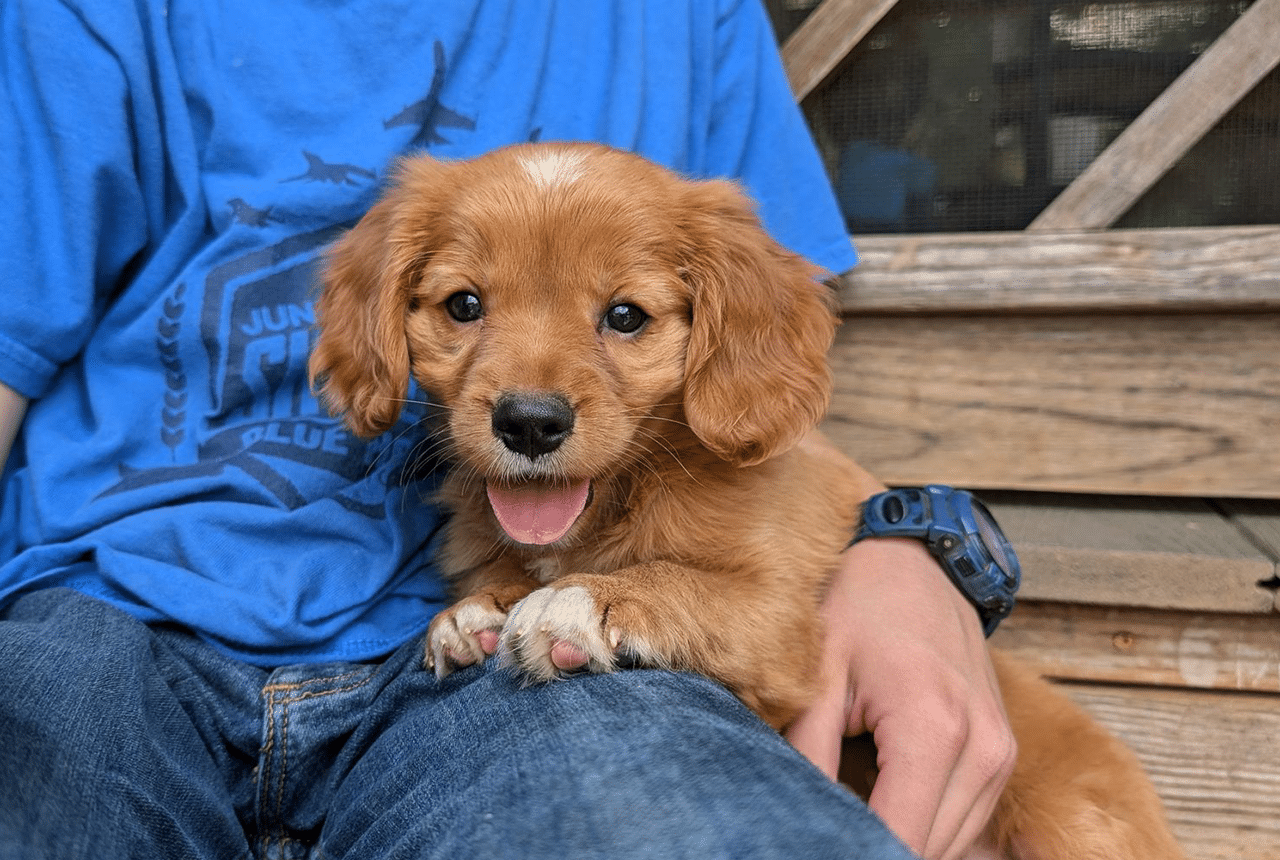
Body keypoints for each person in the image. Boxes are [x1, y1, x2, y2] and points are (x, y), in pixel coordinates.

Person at [0, 1, 1015, 858]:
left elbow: (761, 379)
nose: (529, 389)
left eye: (622, 317)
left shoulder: (683, 19)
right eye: (459, 305)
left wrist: (909, 534)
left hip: (502, 662)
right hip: (103, 612)